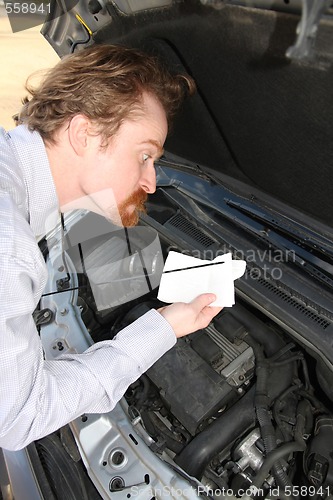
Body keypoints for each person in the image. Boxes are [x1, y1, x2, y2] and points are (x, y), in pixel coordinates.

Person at [0, 44, 222, 451]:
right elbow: (18, 416)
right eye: (144, 155)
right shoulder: (8, 248)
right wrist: (163, 327)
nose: (152, 182)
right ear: (84, 133)